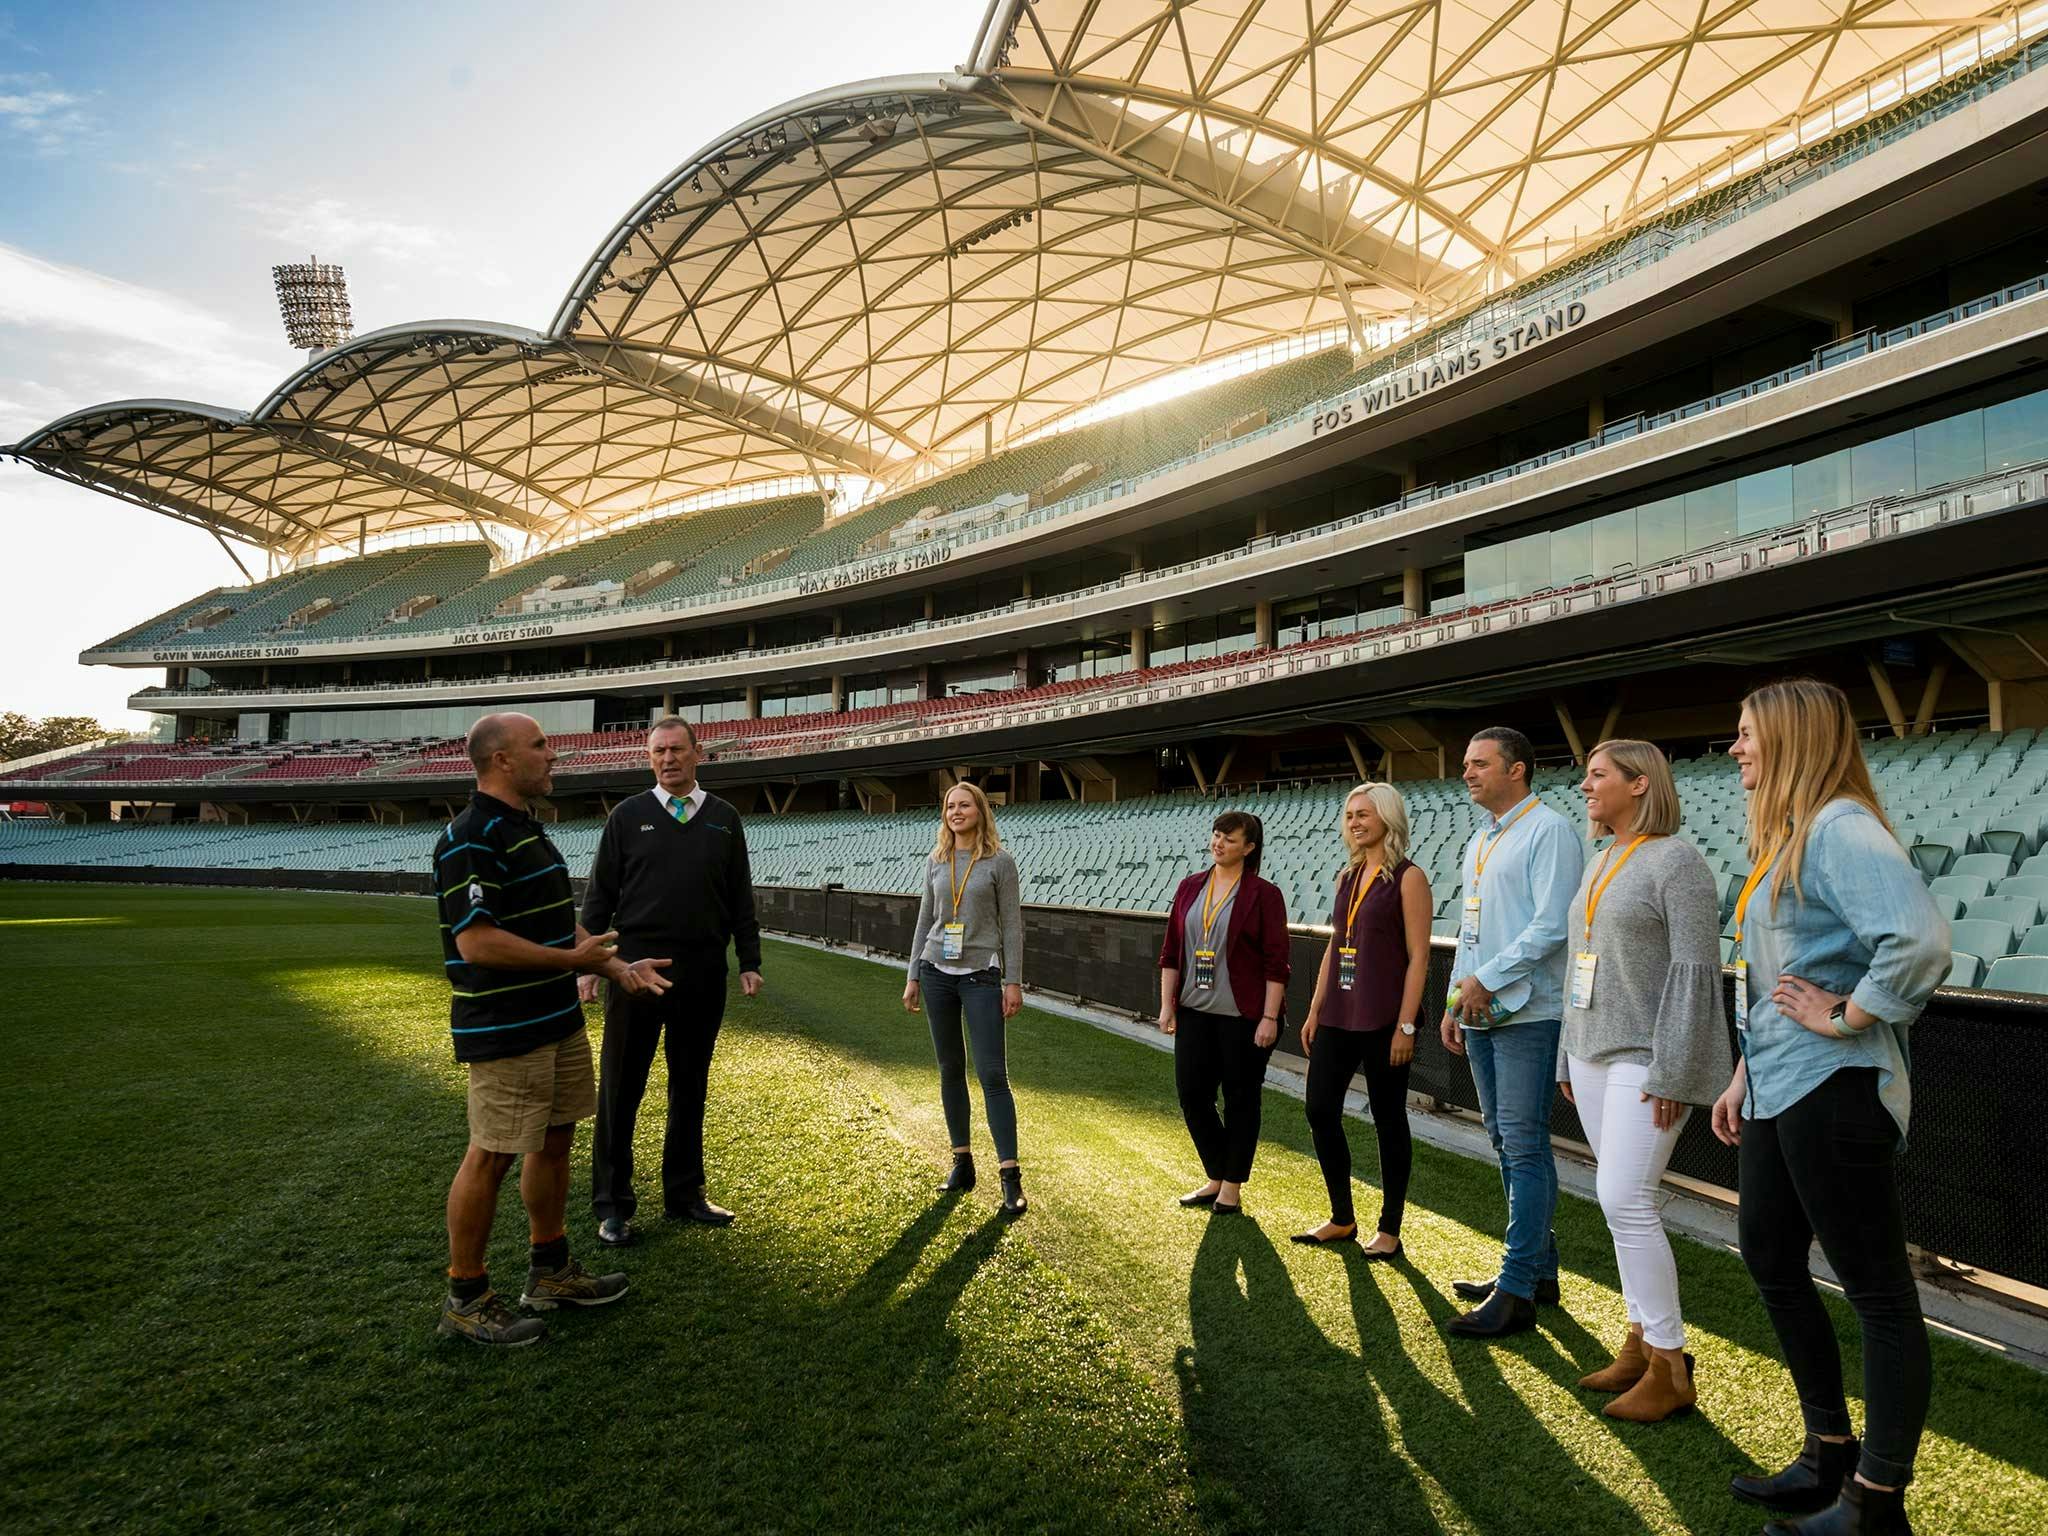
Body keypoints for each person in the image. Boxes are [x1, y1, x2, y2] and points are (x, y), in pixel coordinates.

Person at [1712, 679, 1950, 1536]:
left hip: (1835, 1087)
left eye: (1746, 734)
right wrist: (1745, 1074)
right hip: (1781, 1084)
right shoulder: (1792, 834)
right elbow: (1778, 973)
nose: (1735, 747)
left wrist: (1847, 1015)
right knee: (1770, 1257)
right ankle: (1826, 1454)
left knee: (1878, 1293)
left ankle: (1875, 1504)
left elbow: (1919, 940)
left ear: (1789, 739)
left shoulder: (1839, 825)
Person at [434, 712, 666, 1346]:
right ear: (503, 760)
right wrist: (575, 964)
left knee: (555, 1139)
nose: (552, 754)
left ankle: (550, 1268)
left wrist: (616, 966)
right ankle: (466, 1294)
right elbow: (478, 942)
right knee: (492, 1154)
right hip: (506, 1025)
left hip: (554, 1022)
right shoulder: (469, 837)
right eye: (539, 745)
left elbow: (554, 922)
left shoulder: (526, 831)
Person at [1556, 739, 1731, 1421]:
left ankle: (1670, 1361)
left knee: (1624, 1197)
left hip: (1648, 1056)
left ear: (1638, 783)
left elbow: (1695, 970)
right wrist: (1573, 1049)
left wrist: (1675, 1067)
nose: (1585, 787)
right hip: (1594, 1053)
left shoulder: (1678, 860)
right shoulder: (1601, 858)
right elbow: (1581, 961)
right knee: (1621, 1201)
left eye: (1597, 776)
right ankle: (1638, 1342)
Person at [582, 716, 763, 1245]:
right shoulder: (626, 816)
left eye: (677, 750)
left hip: (703, 972)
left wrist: (748, 959)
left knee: (690, 1087)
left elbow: (740, 898)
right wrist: (588, 964)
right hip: (635, 972)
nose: (668, 759)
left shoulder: (724, 819)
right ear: (649, 757)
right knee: (621, 1088)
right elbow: (600, 895)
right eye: (659, 751)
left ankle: (685, 1192)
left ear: (697, 753)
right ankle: (613, 1204)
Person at [1442, 726, 1585, 1338]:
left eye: (1480, 764)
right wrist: (1454, 1000)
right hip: (1479, 1011)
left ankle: (1518, 1285)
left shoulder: (1550, 831)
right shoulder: (1482, 838)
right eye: (1466, 764)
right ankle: (1536, 1271)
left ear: (1518, 769)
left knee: (1523, 1144)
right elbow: (1469, 932)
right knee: (1505, 1139)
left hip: (1529, 1013)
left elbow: (1554, 925)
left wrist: (1487, 980)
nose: (1467, 773)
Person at [1295, 783, 1431, 1254]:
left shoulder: (1410, 878)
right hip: (1338, 1012)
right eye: (1350, 815)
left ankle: (1389, 1230)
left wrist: (1406, 1024)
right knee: (1318, 1109)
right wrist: (1315, 1007)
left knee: (1388, 1118)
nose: (1354, 822)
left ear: (1388, 819)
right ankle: (1342, 1218)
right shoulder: (1346, 877)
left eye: (1364, 814)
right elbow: (1336, 944)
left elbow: (1418, 958)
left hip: (1384, 1018)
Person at [903, 781, 1028, 1217]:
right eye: (950, 806)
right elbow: (925, 921)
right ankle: (962, 1163)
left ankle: (1010, 1178)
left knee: (993, 1074)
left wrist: (1013, 981)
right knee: (949, 1069)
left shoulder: (1000, 862)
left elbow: (1011, 926)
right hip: (936, 972)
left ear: (980, 811)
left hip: (981, 977)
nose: (957, 812)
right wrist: (913, 974)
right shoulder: (937, 860)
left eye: (965, 805)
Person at [1158, 810, 1291, 1216]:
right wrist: (1167, 1004)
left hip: (1245, 1017)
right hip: (1195, 1011)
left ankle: (1231, 1185)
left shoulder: (1264, 894)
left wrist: (1269, 1017)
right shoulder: (1189, 887)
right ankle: (1217, 1172)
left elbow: (1276, 963)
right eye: (1217, 834)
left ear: (1248, 848)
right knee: (1192, 1095)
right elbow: (1171, 952)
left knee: (1240, 1099)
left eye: (1230, 839)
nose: (1219, 843)